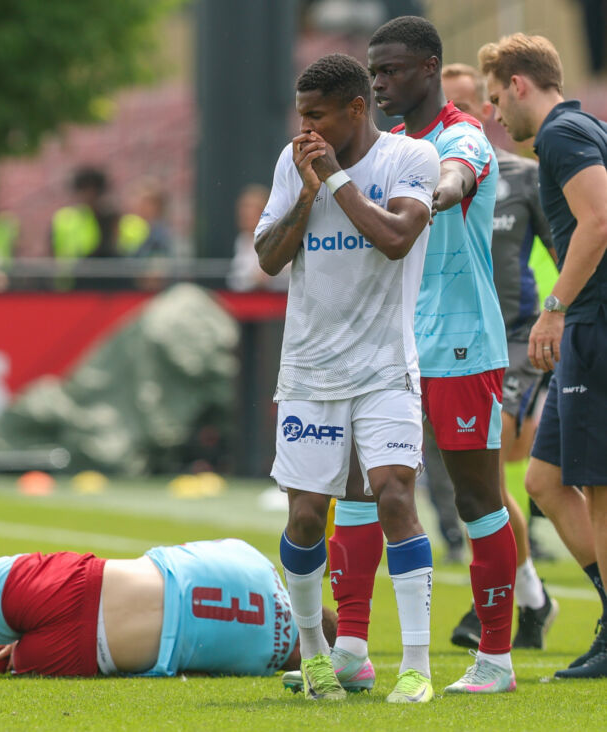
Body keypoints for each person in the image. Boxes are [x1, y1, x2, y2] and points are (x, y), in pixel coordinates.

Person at [329, 16, 517, 696]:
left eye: (394, 70)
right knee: (359, 486)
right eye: (374, 72)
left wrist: (428, 199)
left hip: (461, 343)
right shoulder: (385, 147)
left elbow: (452, 180)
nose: (380, 83)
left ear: (431, 68)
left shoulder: (463, 138)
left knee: (476, 499)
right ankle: (351, 649)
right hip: (387, 346)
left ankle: (495, 660)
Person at [255, 53, 439, 703]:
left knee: (393, 496)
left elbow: (396, 238)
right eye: (299, 114)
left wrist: (334, 182)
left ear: (355, 110)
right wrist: (307, 191)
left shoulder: (410, 159)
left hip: (387, 364)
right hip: (310, 370)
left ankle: (416, 666)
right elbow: (268, 258)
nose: (302, 128)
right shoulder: (294, 163)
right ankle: (315, 657)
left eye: (316, 115)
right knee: (306, 518)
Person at [481, 32, 607, 679]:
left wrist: (555, 306)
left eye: (498, 98)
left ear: (521, 84)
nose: (497, 115)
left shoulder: (561, 134)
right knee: (545, 482)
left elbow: (599, 219)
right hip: (586, 321)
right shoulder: (580, 127)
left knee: (598, 487)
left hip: (592, 322)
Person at [439, 62, 560, 651]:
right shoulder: (418, 169)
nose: (460, 113)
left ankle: (515, 599)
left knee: (489, 467)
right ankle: (533, 595)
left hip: (509, 338)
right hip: (442, 340)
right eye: (450, 103)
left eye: (470, 101)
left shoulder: (523, 176)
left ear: (488, 108)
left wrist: (563, 317)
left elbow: (569, 248)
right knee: (473, 477)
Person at [0, 538, 328, 678]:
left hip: (76, 581)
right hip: (89, 652)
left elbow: (173, 555)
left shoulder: (253, 558)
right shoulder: (260, 664)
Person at [227, 185, 289, 292]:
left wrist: (267, 276)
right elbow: (236, 280)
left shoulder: (280, 236)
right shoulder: (242, 240)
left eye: (249, 210)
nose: (244, 215)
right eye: (242, 210)